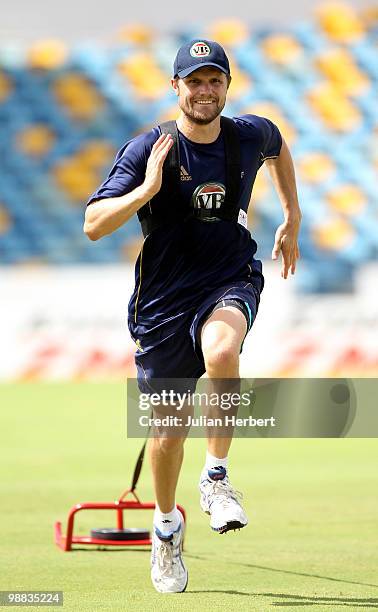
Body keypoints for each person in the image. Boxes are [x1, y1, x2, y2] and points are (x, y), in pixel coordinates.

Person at [84, 38, 301, 594]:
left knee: (224, 351)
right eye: (195, 81)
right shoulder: (145, 150)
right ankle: (165, 528)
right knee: (167, 432)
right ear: (175, 87)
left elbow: (279, 149)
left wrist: (291, 216)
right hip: (161, 300)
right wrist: (148, 190)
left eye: (214, 80)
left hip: (228, 277)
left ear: (227, 85)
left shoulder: (250, 133)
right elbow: (93, 224)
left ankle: (217, 477)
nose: (205, 91)